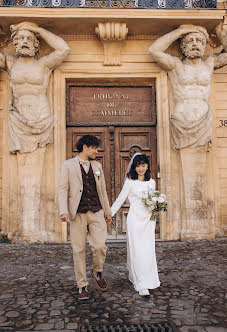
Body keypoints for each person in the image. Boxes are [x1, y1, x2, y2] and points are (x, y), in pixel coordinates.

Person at [148, 23, 227, 150]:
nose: (195, 44)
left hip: (204, 118)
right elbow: (153, 50)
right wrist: (180, 32)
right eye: (190, 41)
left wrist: (218, 30)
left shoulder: (209, 64)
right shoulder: (176, 65)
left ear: (203, 46)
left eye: (199, 41)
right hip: (182, 119)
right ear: (183, 47)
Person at [0, 21, 69, 153]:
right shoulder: (10, 63)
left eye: (29, 38)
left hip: (42, 116)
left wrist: (37, 30)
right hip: (19, 117)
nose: (25, 42)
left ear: (35, 44)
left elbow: (63, 49)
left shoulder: (43, 65)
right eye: (21, 38)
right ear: (15, 43)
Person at [58, 135, 112, 301]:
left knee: (100, 245)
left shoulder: (97, 165)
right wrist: (63, 210)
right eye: (95, 148)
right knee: (78, 249)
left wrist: (107, 210)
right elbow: (63, 189)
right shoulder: (68, 165)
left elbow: (102, 190)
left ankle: (97, 271)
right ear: (86, 147)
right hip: (77, 213)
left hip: (96, 211)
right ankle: (82, 285)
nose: (97, 151)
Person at [111, 153, 160, 297]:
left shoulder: (151, 182)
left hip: (148, 219)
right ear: (134, 166)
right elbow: (120, 199)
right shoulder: (130, 182)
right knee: (137, 250)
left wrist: (156, 208)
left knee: (148, 250)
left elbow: (154, 200)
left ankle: (149, 279)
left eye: (143, 165)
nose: (141, 168)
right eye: (138, 166)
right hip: (135, 219)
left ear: (147, 166)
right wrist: (109, 214)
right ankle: (140, 283)